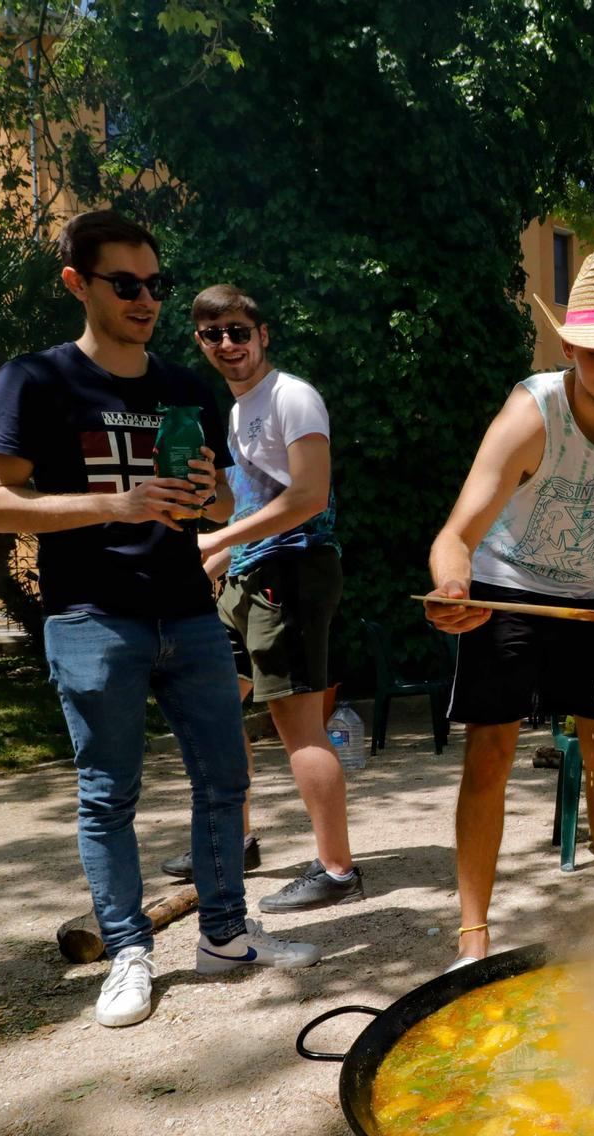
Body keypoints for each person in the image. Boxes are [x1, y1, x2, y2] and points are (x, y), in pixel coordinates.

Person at [0, 211, 320, 1030]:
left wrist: (206, 496)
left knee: (225, 781)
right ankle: (129, 950)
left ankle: (226, 935)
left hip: (189, 612)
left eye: (154, 284)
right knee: (108, 793)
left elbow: (227, 497)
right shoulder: (36, 380)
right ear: (76, 284)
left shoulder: (183, 385)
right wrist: (114, 504)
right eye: (124, 284)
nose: (144, 299)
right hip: (91, 617)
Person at [425, 253, 594, 970]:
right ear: (568, 346)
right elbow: (456, 535)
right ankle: (472, 938)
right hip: (506, 582)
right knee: (492, 750)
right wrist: (453, 590)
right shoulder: (531, 411)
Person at [169, 283, 363, 913]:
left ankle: (337, 870)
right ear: (200, 342)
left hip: (296, 572)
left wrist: (217, 537)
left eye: (239, 332)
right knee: (216, 700)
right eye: (213, 334)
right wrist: (217, 556)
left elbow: (308, 497)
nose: (228, 344)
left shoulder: (291, 396)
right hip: (248, 574)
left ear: (263, 334)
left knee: (297, 722)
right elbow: (252, 505)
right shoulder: (231, 412)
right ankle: (239, 838)